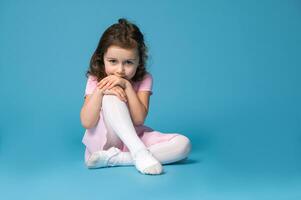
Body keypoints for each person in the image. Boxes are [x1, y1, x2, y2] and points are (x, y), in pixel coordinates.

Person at [80, 18, 191, 175]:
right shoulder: (95, 79)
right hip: (103, 143)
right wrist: (101, 90)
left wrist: (126, 86)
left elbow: (139, 119)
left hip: (132, 139)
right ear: (102, 58)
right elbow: (87, 121)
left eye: (128, 62)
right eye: (112, 61)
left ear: (139, 60)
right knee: (111, 94)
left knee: (183, 144)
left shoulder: (145, 78)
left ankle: (119, 158)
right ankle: (139, 153)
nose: (120, 70)